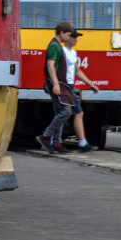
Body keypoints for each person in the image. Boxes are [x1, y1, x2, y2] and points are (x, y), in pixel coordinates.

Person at [37, 22, 75, 154]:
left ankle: (57, 143)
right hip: (57, 84)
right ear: (62, 33)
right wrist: (56, 84)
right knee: (66, 111)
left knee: (59, 112)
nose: (69, 38)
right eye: (68, 35)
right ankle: (45, 136)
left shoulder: (57, 46)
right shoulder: (54, 46)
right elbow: (50, 65)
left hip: (59, 83)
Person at [62, 27, 102, 150]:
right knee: (75, 113)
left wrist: (90, 85)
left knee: (64, 114)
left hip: (69, 85)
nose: (76, 40)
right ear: (67, 38)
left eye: (77, 38)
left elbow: (77, 71)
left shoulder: (73, 53)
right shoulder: (61, 51)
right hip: (64, 85)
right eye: (74, 37)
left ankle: (50, 139)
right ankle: (82, 143)